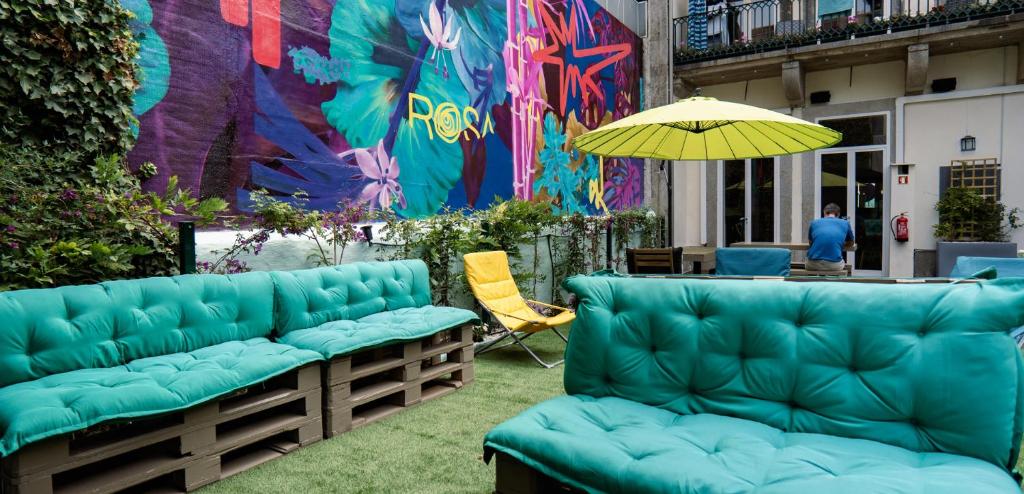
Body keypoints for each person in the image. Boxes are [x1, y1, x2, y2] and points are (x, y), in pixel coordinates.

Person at [807, 203, 855, 272]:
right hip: (834, 265)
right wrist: (839, 244)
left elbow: (811, 243)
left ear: (824, 212)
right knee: (844, 264)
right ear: (838, 214)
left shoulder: (814, 223)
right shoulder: (845, 223)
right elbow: (851, 242)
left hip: (812, 264)